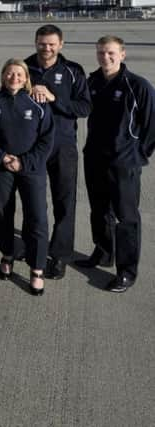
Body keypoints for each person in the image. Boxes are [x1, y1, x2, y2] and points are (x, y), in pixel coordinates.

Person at [75, 35, 155, 293]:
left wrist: (138, 154)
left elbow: (152, 125)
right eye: (100, 53)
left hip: (124, 163)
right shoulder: (93, 82)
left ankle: (127, 271)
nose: (105, 58)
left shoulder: (137, 85)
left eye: (110, 53)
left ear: (122, 54)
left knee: (126, 217)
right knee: (99, 211)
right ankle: (104, 252)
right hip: (95, 157)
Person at [0, 59, 54, 295]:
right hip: (2, 167)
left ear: (26, 78)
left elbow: (46, 140)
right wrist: (2, 157)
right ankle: (8, 254)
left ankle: (37, 267)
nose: (14, 77)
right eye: (10, 73)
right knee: (3, 213)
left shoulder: (37, 102)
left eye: (19, 74)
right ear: (3, 76)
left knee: (37, 218)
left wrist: (24, 161)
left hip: (31, 168)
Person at [25, 24, 91, 280]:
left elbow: (84, 107)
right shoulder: (26, 67)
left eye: (52, 44)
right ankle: (35, 248)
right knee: (33, 202)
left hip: (63, 147)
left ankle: (61, 255)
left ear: (61, 44)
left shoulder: (73, 71)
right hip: (33, 146)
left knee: (64, 202)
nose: (47, 48)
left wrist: (55, 99)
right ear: (36, 42)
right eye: (42, 43)